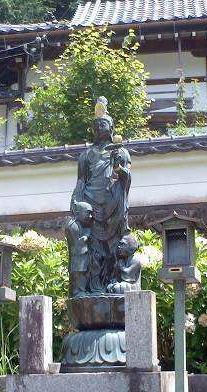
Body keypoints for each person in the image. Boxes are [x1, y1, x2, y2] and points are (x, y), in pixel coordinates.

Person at [69, 96, 132, 294]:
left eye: (103, 124)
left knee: (113, 248)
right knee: (93, 249)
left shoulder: (121, 152)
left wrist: (119, 168)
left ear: (111, 128)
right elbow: (80, 182)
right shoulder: (86, 155)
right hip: (90, 204)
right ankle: (92, 286)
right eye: (96, 126)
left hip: (112, 204)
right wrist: (76, 203)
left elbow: (126, 177)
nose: (99, 129)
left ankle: (114, 283)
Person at [66, 200, 93, 297]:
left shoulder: (78, 225)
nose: (90, 217)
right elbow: (77, 244)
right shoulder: (73, 226)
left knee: (83, 274)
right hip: (77, 256)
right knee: (79, 274)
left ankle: (82, 291)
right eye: (88, 213)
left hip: (81, 256)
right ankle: (78, 292)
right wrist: (86, 235)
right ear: (78, 213)